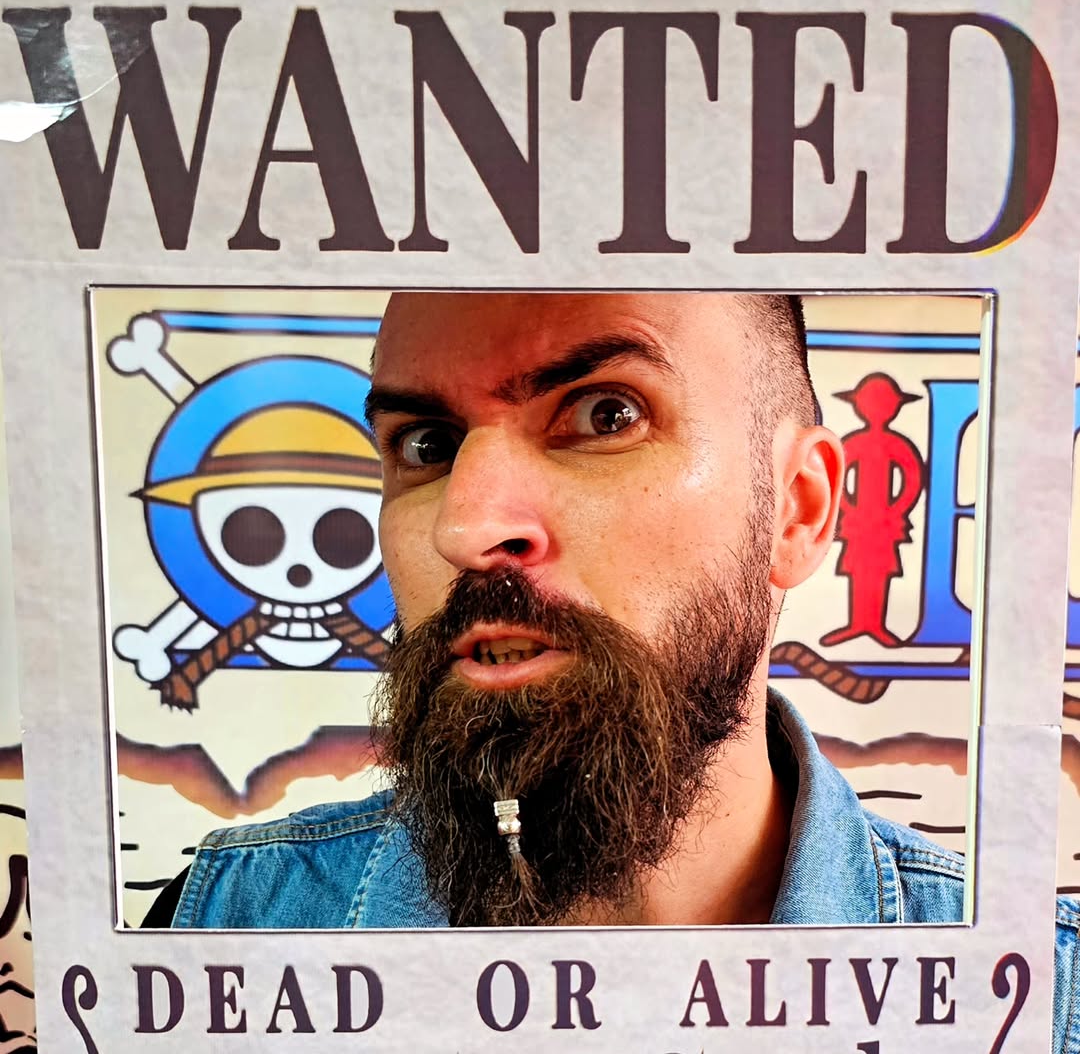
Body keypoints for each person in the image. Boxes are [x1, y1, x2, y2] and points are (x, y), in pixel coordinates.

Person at [155, 292, 1076, 1045]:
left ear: (796, 510)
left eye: (606, 415)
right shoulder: (214, 939)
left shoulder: (1044, 1006)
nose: (464, 528)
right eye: (428, 445)